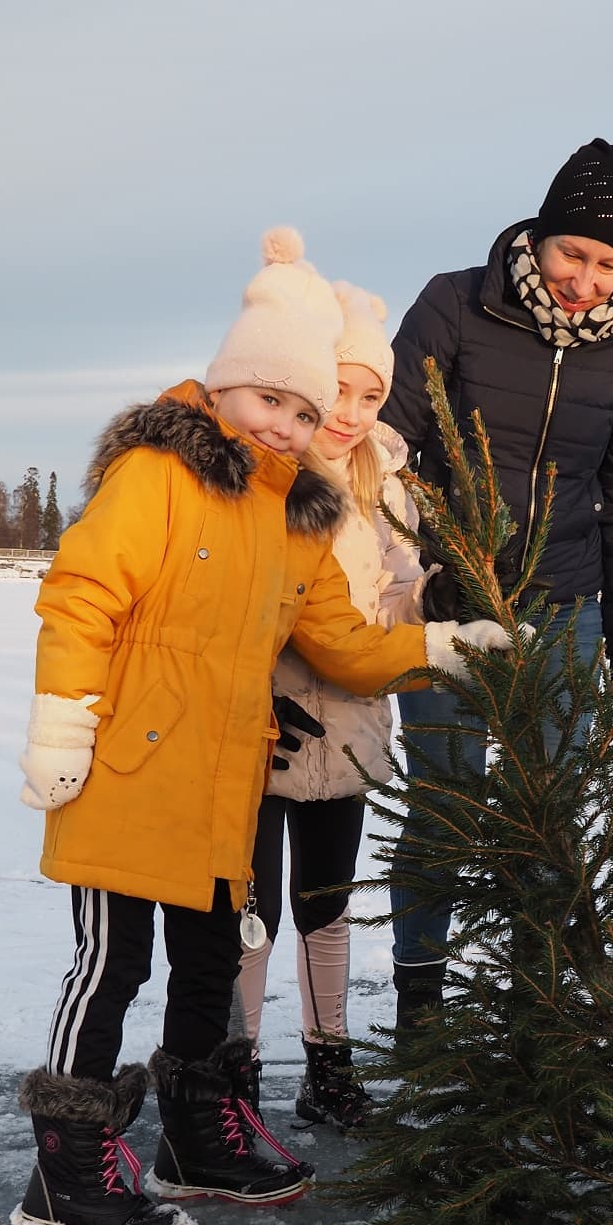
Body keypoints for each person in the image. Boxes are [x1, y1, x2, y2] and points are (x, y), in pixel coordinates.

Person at [12, 229, 512, 1225]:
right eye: (267, 401)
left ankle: (196, 1139)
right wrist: (62, 720)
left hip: (224, 785)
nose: (285, 426)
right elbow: (81, 591)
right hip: (125, 768)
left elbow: (344, 642)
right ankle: (65, 1172)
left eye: (302, 408)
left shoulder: (294, 515)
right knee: (111, 962)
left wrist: (448, 648)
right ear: (227, 384)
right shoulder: (158, 473)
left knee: (206, 965)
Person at [381, 138, 613, 1031]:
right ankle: (421, 1000)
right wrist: (413, 564)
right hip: (450, 594)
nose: (585, 278)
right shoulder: (456, 303)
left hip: (569, 602)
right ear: (539, 237)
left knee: (551, 806)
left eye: (607, 262)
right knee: (445, 801)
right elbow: (387, 439)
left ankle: (530, 1005)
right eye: (572, 252)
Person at [233, 281, 429, 1130]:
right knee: (250, 909)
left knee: (328, 900)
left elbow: (401, 591)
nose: (349, 412)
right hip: (261, 729)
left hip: (348, 725)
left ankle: (329, 1068)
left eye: (370, 394)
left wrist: (429, 614)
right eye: (337, 388)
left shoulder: (385, 481)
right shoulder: (264, 467)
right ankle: (231, 1075)